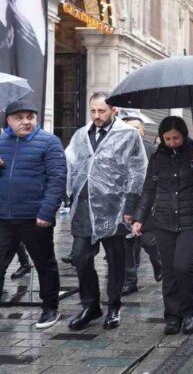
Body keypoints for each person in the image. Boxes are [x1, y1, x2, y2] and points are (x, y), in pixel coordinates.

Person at [65, 93, 147, 331]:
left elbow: (137, 170)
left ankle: (113, 305)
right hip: (84, 205)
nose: (97, 116)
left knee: (115, 259)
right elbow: (71, 162)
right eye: (93, 111)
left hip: (116, 207)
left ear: (114, 110)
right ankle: (90, 305)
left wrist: (130, 205)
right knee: (80, 256)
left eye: (101, 111)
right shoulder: (82, 134)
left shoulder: (128, 135)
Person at [132, 116, 193, 335]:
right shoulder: (158, 158)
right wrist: (139, 217)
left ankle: (189, 312)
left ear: (184, 135)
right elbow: (149, 189)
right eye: (167, 138)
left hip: (192, 219)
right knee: (169, 270)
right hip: (163, 220)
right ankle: (172, 316)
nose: (172, 142)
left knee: (182, 266)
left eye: (176, 138)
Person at [0, 100, 65, 328]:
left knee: (44, 264)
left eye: (30, 116)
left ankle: (49, 308)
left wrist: (47, 212)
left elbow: (57, 180)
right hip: (3, 217)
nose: (26, 121)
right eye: (19, 117)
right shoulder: (0, 142)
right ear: (8, 120)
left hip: (34, 217)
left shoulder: (49, 142)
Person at [120, 117, 162, 296]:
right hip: (123, 203)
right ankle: (130, 281)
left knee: (149, 241)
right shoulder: (117, 150)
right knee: (126, 244)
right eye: (129, 128)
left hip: (147, 204)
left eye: (137, 128)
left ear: (143, 131)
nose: (133, 131)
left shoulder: (153, 151)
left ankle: (158, 262)